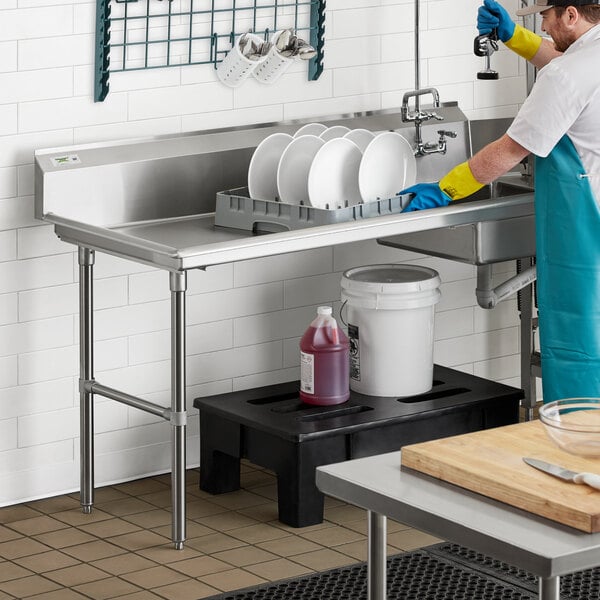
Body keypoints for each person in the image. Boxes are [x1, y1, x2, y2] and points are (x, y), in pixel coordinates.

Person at [401, 0, 600, 404]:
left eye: (545, 16)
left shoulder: (566, 75)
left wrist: (445, 189)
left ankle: (580, 450)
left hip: (585, 233)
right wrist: (513, 37)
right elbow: (562, 61)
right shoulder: (587, 57)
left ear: (571, 14)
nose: (542, 25)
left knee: (582, 344)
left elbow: (510, 151)